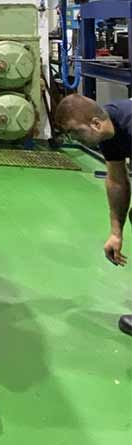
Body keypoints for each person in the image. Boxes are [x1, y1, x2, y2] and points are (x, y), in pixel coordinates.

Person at [54, 95, 132, 336]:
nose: (74, 140)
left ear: (95, 124)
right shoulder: (110, 130)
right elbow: (117, 181)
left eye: (76, 133)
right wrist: (115, 232)